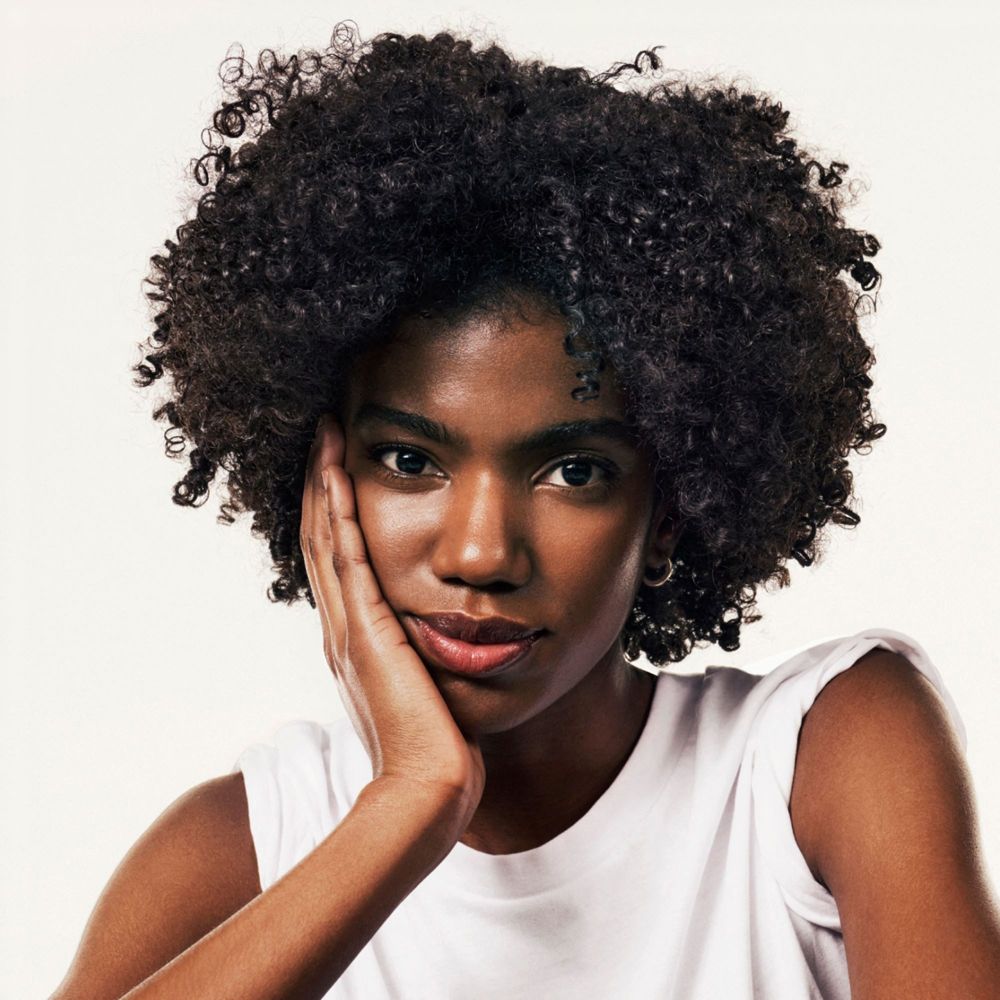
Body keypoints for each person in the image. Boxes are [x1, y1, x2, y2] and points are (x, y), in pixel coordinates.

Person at [51, 22, 1000, 1000]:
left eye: (573, 471)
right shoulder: (239, 851)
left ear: (668, 505)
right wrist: (409, 802)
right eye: (410, 459)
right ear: (316, 471)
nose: (479, 552)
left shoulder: (819, 761)